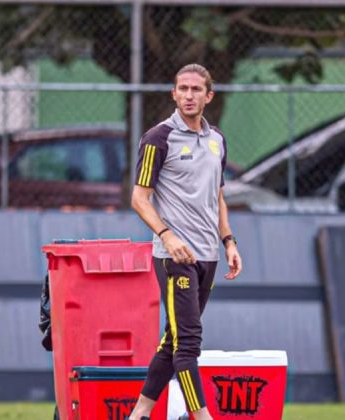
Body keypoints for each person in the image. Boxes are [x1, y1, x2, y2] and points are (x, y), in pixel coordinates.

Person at [128, 64, 242, 420]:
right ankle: (202, 417)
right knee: (188, 344)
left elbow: (219, 196)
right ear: (173, 94)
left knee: (173, 340)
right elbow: (139, 198)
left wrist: (229, 241)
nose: (189, 95)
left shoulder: (216, 139)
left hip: (209, 254)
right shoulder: (158, 138)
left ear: (209, 96)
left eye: (196, 89)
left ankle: (139, 414)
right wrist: (166, 235)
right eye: (182, 89)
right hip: (174, 256)